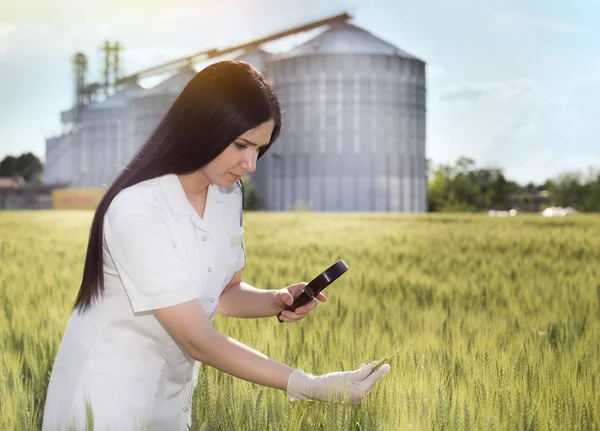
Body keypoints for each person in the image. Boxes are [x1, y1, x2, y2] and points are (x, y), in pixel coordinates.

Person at [42, 60, 390, 431]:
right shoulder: (137, 211)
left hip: (171, 401)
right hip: (104, 400)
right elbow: (197, 339)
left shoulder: (227, 195)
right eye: (241, 144)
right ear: (203, 126)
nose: (250, 163)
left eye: (260, 148)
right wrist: (311, 385)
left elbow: (223, 292)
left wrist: (277, 299)